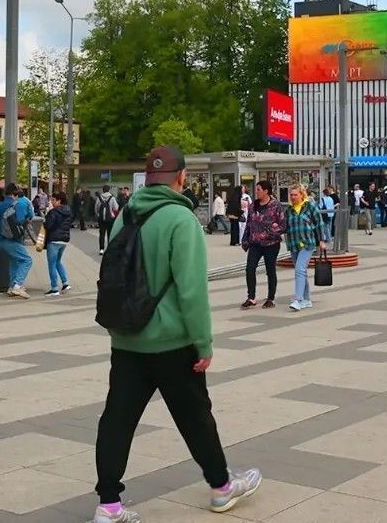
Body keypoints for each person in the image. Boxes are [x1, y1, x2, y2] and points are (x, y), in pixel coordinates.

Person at [92, 146, 260, 522]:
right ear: (181, 177)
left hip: (127, 339)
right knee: (196, 417)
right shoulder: (180, 219)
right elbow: (191, 289)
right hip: (171, 341)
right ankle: (221, 487)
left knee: (117, 419)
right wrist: (204, 342)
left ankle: (108, 504)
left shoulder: (126, 215)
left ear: (147, 178)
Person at [241, 180, 286, 309]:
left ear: (266, 191)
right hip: (255, 243)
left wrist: (269, 232)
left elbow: (283, 226)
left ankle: (270, 298)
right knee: (250, 268)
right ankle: (251, 297)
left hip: (271, 244)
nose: (256, 192)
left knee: (270, 270)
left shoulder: (276, 205)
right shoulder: (253, 206)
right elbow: (249, 224)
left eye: (259, 189)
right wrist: (245, 240)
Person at [0, 184, 35, 298]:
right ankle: (17, 286)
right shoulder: (15, 205)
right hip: (10, 239)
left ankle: (11, 286)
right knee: (27, 260)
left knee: (14, 260)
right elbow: (21, 221)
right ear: (15, 194)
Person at [285, 184, 326, 312]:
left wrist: (321, 240)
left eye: (295, 194)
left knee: (299, 269)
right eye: (291, 195)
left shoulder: (310, 207)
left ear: (302, 195)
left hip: (307, 243)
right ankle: (306, 299)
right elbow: (285, 227)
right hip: (294, 244)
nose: (292, 197)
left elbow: (319, 223)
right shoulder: (289, 210)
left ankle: (297, 299)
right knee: (301, 271)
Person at [42, 190, 73, 296]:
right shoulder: (68, 211)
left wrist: (46, 219)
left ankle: (54, 288)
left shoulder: (53, 212)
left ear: (59, 200)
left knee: (51, 264)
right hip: (64, 240)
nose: (52, 202)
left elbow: (48, 226)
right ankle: (65, 283)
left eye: (53, 200)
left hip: (54, 240)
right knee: (58, 262)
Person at [95, 185, 120, 255]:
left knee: (102, 234)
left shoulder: (99, 198)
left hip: (101, 219)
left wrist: (98, 214)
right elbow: (116, 208)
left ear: (103, 190)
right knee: (110, 233)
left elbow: (96, 207)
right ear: (109, 190)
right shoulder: (112, 198)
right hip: (110, 219)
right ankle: (109, 248)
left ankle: (101, 249)